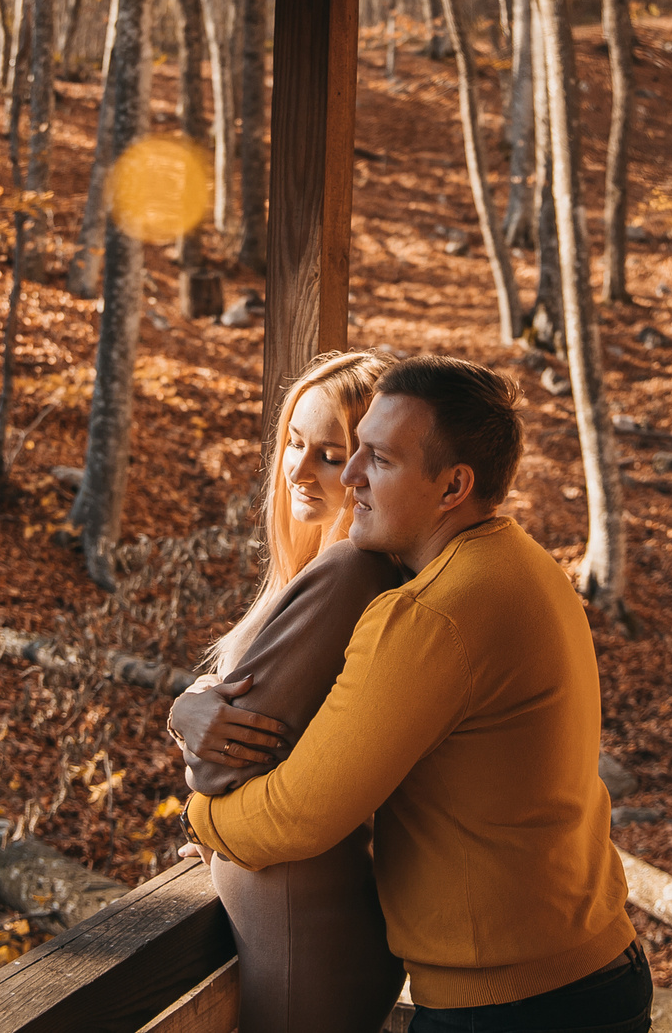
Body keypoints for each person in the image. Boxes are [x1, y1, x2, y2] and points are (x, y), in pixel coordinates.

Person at [188, 355, 647, 1033]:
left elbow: (299, 814)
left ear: (453, 485)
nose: (349, 477)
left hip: (515, 1009)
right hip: (588, 977)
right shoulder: (523, 564)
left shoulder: (434, 615)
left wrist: (202, 817)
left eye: (376, 457)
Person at [167, 349, 408, 1033]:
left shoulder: (347, 573)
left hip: (306, 939)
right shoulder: (324, 571)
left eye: (331, 454)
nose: (299, 469)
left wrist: (191, 724)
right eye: (294, 443)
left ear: (369, 467)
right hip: (304, 924)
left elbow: (219, 763)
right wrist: (189, 706)